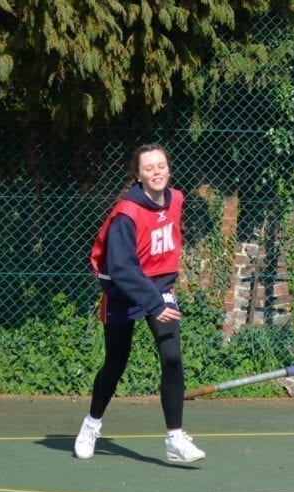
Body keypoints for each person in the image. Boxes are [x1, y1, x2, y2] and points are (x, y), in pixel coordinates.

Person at [74, 144, 205, 463]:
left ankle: (175, 437)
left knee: (172, 358)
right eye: (149, 168)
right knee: (115, 364)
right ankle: (92, 424)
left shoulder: (176, 199)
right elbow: (121, 268)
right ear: (138, 175)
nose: (157, 172)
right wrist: (153, 303)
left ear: (169, 168)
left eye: (161, 165)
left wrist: (161, 294)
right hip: (124, 292)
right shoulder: (126, 214)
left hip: (159, 287)